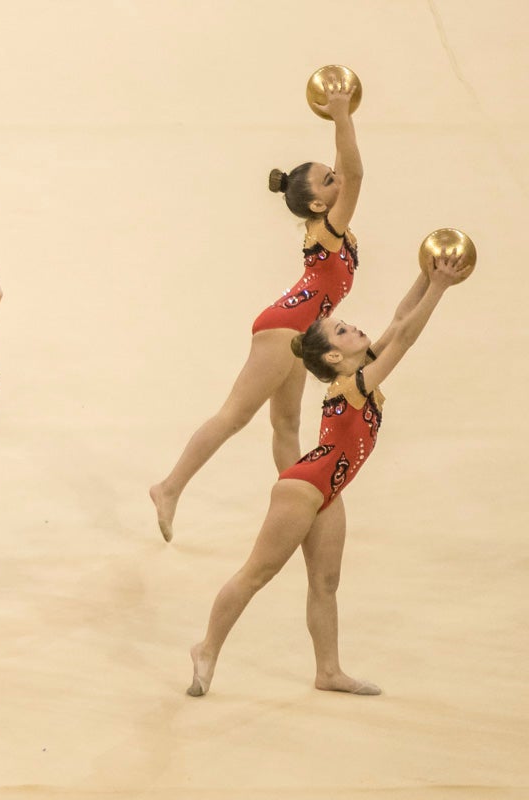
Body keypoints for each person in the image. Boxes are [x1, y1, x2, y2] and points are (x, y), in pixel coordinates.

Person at [186, 253, 470, 697]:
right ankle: (206, 647)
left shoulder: (360, 374)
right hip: (303, 488)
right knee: (257, 573)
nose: (354, 327)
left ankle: (328, 671)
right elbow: (406, 339)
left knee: (325, 582)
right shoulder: (353, 385)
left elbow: (398, 321)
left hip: (329, 492)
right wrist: (439, 289)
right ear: (335, 355)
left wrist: (425, 273)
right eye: (342, 330)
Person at [150, 81, 362, 542]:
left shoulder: (327, 221)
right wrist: (343, 116)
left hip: (297, 326)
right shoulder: (329, 227)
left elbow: (346, 171)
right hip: (285, 325)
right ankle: (168, 488)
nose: (338, 179)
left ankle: (303, 504)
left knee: (286, 424)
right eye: (328, 181)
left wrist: (337, 121)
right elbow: (358, 177)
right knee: (234, 415)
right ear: (319, 204)